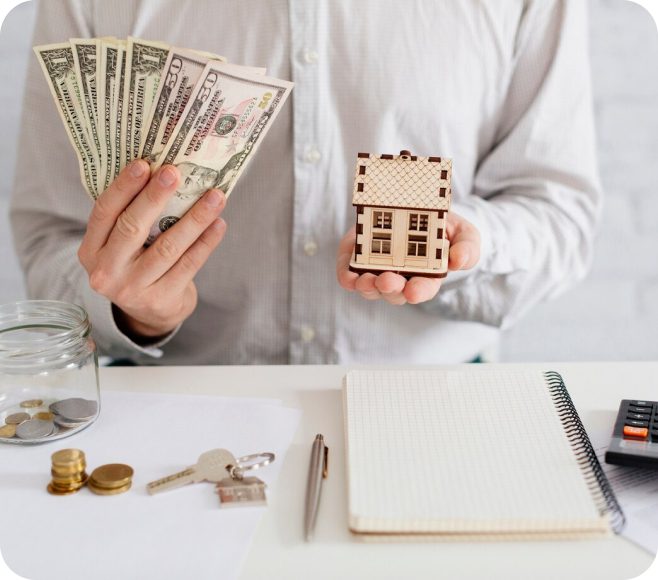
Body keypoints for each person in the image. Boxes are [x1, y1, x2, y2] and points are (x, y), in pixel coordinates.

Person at [10, 0, 601, 366]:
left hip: (434, 397)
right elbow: (51, 238)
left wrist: (466, 244)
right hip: (184, 403)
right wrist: (134, 312)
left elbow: (559, 214)